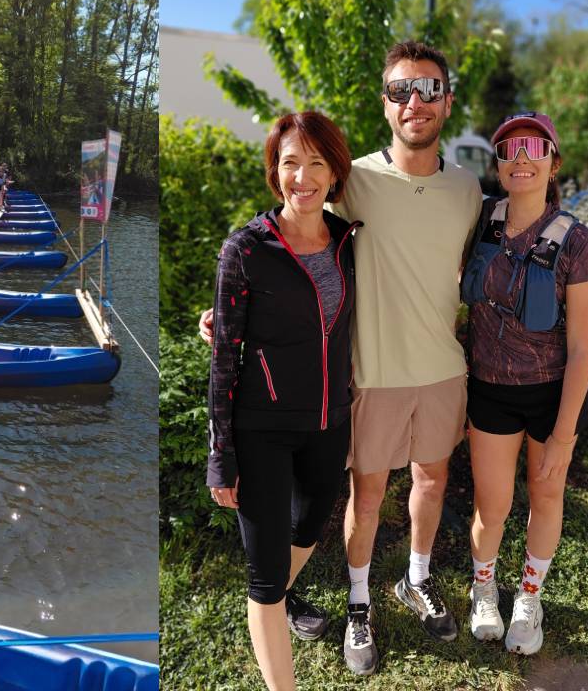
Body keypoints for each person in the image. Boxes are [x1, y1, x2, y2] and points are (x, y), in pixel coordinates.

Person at [201, 41, 483, 675]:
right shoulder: (352, 179)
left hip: (441, 369)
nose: (416, 102)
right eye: (402, 90)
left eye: (430, 89)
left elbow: (465, 267)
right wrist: (226, 317)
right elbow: (281, 240)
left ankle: (415, 578)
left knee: (431, 482)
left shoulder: (468, 189)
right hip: (370, 378)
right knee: (369, 494)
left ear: (447, 99)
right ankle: (357, 603)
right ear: (384, 102)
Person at [208, 112, 357, 691]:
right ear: (275, 171)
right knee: (265, 580)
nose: (303, 176)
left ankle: (279, 591)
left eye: (316, 163)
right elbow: (224, 357)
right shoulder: (246, 249)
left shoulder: (348, 241)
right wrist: (221, 453)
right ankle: (272, 615)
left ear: (334, 172)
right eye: (290, 162)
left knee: (313, 526)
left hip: (329, 423)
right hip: (262, 428)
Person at [461, 112, 588, 654]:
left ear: (552, 163)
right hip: (489, 390)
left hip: (550, 396)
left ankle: (529, 597)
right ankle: (484, 590)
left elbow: (585, 346)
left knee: (546, 495)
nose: (520, 157)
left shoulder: (576, 241)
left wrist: (564, 433)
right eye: (509, 148)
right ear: (498, 166)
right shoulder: (483, 220)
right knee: (491, 504)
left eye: (532, 147)